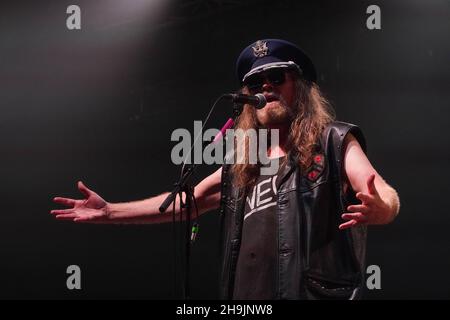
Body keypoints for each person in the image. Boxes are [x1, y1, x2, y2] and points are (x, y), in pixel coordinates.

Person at [51, 39, 400, 300]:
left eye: (277, 77)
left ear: (301, 87)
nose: (266, 87)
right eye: (255, 83)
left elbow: (384, 193)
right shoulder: (243, 164)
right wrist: (110, 211)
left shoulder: (333, 141)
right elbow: (184, 203)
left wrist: (380, 207)